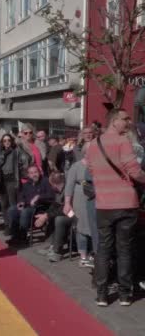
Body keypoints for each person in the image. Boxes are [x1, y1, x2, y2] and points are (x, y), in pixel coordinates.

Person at [86, 108, 145, 307]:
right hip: (125, 203)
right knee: (124, 249)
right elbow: (134, 171)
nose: (128, 122)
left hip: (103, 204)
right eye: (125, 119)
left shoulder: (93, 144)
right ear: (114, 121)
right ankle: (125, 294)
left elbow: (92, 171)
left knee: (103, 249)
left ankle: (102, 294)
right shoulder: (123, 141)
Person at [6, 165, 55, 245]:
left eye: (36, 172)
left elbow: (51, 195)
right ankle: (15, 236)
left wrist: (39, 197)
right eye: (31, 173)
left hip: (40, 207)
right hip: (27, 205)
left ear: (39, 172)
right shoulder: (26, 184)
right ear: (28, 175)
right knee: (12, 210)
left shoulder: (45, 181)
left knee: (25, 212)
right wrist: (21, 202)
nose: (34, 174)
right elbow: (21, 195)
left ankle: (22, 238)